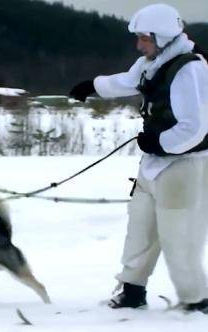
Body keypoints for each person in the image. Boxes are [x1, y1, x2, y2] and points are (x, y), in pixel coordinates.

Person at [69, 4, 208, 313]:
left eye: (143, 38)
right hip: (154, 164)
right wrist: (93, 86)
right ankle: (132, 290)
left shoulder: (190, 68)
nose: (138, 44)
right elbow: (127, 82)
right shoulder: (153, 61)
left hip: (185, 166)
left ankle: (197, 300)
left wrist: (160, 143)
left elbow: (195, 127)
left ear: (162, 36)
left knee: (179, 237)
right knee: (140, 228)